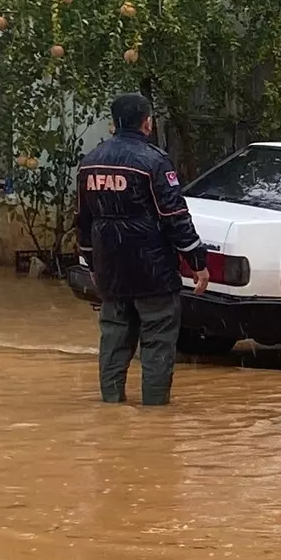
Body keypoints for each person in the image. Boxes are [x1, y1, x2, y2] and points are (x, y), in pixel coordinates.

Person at [76, 92, 210, 406]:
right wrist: (197, 261)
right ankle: (155, 410)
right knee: (158, 340)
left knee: (114, 336)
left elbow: (82, 221)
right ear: (146, 122)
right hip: (153, 269)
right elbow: (175, 216)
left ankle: (110, 403)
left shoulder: (89, 163)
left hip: (111, 268)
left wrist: (93, 265)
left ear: (113, 122)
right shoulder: (154, 161)